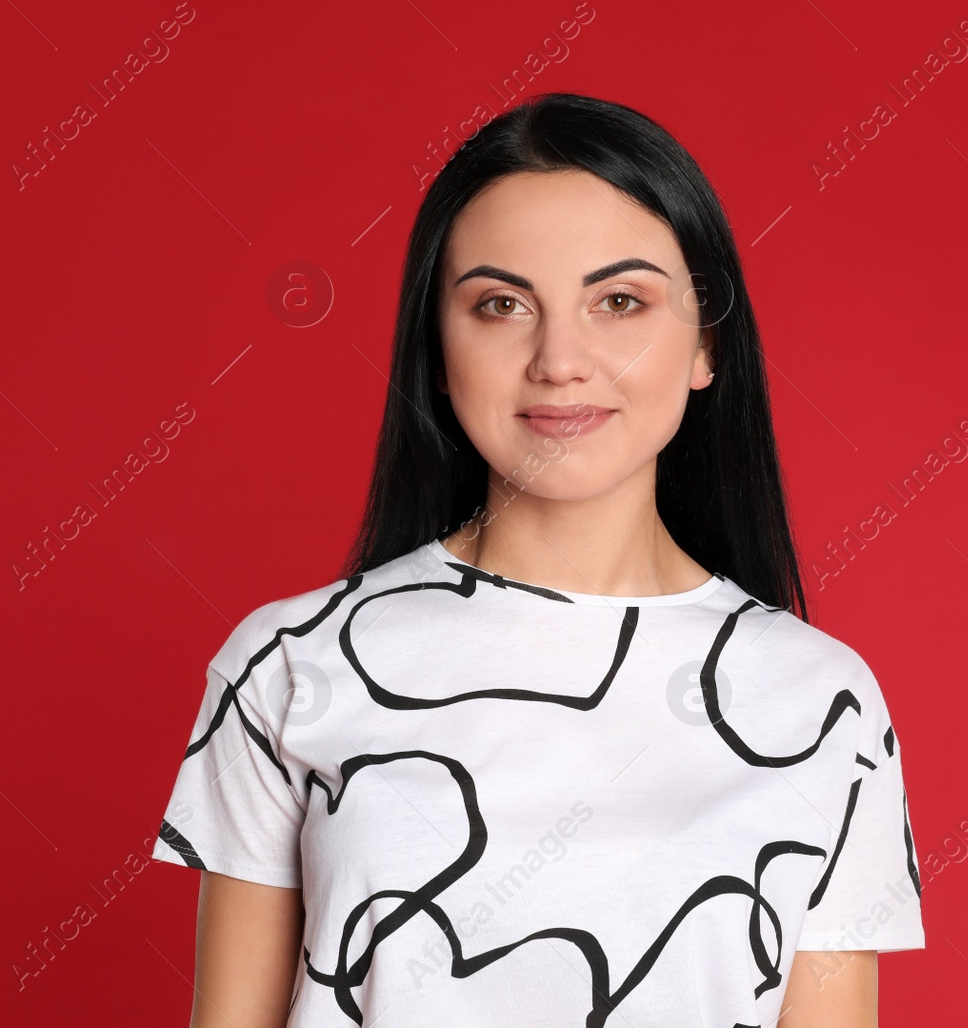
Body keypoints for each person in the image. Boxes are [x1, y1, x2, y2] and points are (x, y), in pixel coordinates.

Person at [150, 91, 924, 1028]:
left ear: (705, 344)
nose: (560, 358)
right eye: (501, 304)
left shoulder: (821, 702)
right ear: (438, 347)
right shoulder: (288, 664)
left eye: (620, 301)